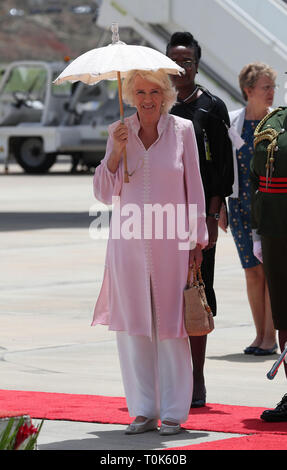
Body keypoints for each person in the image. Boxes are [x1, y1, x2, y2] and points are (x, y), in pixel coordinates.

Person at [91, 69, 208, 435]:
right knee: (134, 328)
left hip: (172, 244)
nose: (147, 99)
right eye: (139, 91)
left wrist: (196, 240)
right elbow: (102, 192)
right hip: (127, 245)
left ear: (166, 95)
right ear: (130, 94)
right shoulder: (118, 131)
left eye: (154, 91)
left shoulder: (183, 131)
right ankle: (143, 410)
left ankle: (173, 411)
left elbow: (195, 186)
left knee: (171, 327)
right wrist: (116, 155)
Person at [166, 31, 234, 407]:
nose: (181, 68)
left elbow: (223, 171)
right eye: (174, 61)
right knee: (163, 295)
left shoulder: (212, 108)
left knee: (196, 292)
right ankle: (167, 378)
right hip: (161, 218)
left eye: (187, 61)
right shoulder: (155, 104)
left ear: (197, 64)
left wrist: (211, 215)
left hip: (197, 218)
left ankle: (196, 379)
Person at [228, 63, 277, 355]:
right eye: (265, 87)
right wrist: (219, 206)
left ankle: (271, 337)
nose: (271, 93)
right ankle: (259, 335)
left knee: (270, 272)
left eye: (272, 87)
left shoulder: (278, 122)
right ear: (248, 91)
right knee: (251, 272)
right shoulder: (233, 122)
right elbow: (225, 168)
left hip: (270, 209)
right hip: (239, 207)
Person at [249, 105, 287, 421]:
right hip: (275, 230)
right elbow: (256, 177)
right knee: (284, 315)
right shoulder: (273, 121)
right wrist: (256, 228)